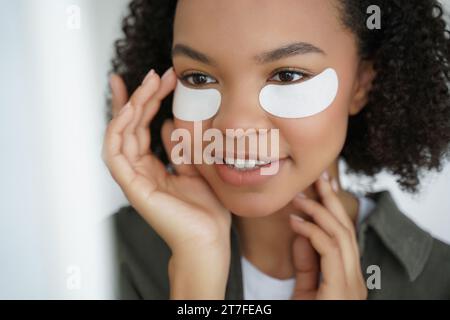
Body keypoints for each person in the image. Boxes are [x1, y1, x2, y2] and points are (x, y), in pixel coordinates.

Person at [103, 0, 450, 299]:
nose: (235, 127)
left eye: (286, 76)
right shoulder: (100, 260)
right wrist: (196, 277)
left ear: (362, 82)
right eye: (198, 78)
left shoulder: (438, 283)